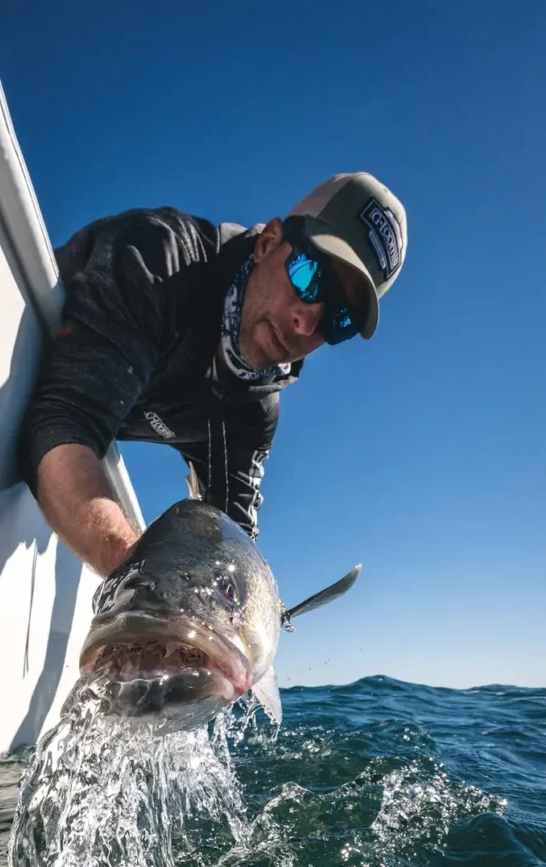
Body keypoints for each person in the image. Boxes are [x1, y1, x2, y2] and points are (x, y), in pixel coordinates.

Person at [20, 172, 407, 577]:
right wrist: (141, 579)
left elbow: (234, 539)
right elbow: (63, 422)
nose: (307, 322)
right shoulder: (163, 262)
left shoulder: (254, 412)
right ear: (268, 242)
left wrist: (242, 606)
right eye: (310, 277)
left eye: (339, 318)